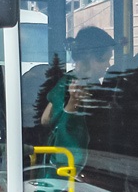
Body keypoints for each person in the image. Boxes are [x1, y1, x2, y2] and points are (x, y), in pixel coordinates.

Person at [37, 26, 116, 171]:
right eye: (105, 59)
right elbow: (48, 120)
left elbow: (45, 118)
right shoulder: (71, 85)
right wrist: (71, 107)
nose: (108, 65)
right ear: (88, 57)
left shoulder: (86, 82)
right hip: (69, 168)